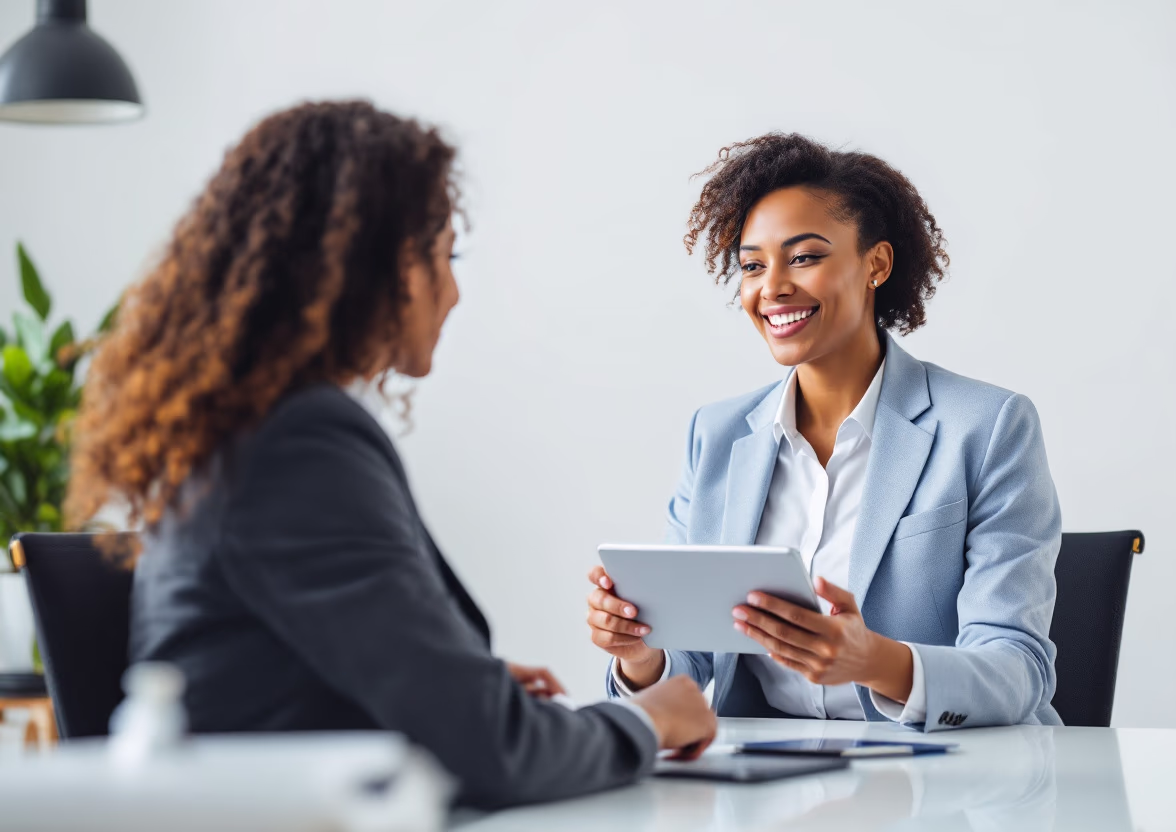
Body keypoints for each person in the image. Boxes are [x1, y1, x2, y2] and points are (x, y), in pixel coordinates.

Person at [64, 101, 715, 809]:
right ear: (382, 266)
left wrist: (462, 686)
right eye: (444, 255)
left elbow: (302, 680)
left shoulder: (257, 427)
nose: (455, 290)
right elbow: (494, 752)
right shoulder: (299, 441)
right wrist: (646, 719)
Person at [587, 133, 1062, 731]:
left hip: (945, 779)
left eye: (805, 256)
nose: (773, 287)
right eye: (753, 266)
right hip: (767, 778)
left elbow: (1018, 669)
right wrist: (640, 655)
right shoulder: (717, 434)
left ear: (877, 265)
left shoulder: (988, 427)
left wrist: (876, 661)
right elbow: (695, 659)